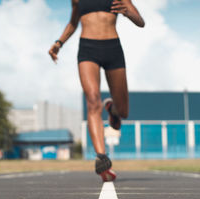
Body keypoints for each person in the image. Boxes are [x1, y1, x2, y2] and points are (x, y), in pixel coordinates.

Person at [49, 0, 145, 182]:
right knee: (92, 101)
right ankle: (102, 157)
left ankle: (113, 110)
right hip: (87, 49)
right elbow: (72, 23)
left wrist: (128, 12)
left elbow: (140, 22)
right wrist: (59, 43)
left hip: (113, 49)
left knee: (123, 112)